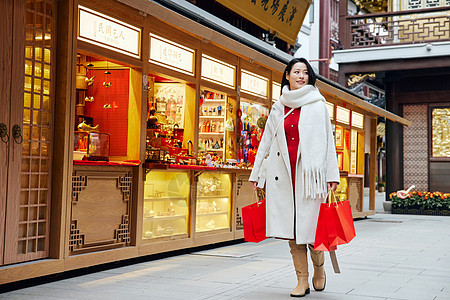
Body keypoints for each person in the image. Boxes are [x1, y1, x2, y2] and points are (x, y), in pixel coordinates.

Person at [249, 58, 340, 298]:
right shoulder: (279, 106)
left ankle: (319, 269)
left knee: (311, 231)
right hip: (283, 177)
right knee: (292, 232)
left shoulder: (318, 104)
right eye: (296, 71)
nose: (301, 76)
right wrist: (256, 173)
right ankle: (302, 280)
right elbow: (266, 141)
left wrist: (332, 175)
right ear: (287, 75)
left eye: (305, 72)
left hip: (310, 178)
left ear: (310, 77)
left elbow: (328, 142)